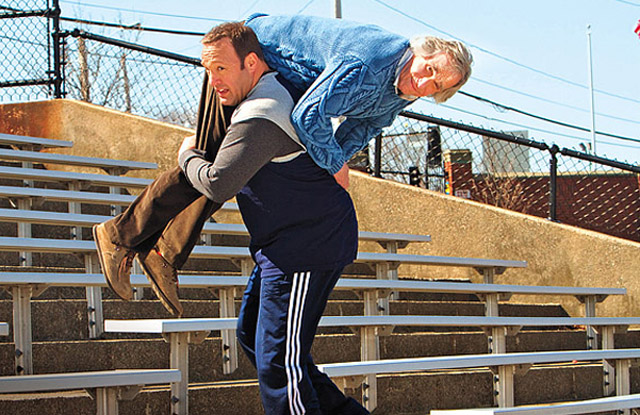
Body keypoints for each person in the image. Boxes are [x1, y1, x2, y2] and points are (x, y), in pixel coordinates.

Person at [93, 15, 472, 317]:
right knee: (210, 162)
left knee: (224, 172)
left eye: (438, 86)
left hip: (282, 81)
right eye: (429, 69)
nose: (426, 83)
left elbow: (366, 125)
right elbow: (309, 115)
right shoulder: (370, 62)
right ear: (419, 51)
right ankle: (118, 235)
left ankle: (164, 255)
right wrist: (333, 162)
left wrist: (332, 165)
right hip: (243, 56)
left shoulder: (402, 89)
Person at [175, 22, 365, 414]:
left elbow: (218, 183)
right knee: (252, 336)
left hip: (305, 246)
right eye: (207, 71)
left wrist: (187, 155)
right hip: (285, 245)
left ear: (251, 62)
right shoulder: (271, 88)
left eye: (222, 70)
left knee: (279, 362)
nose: (213, 82)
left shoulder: (263, 112)